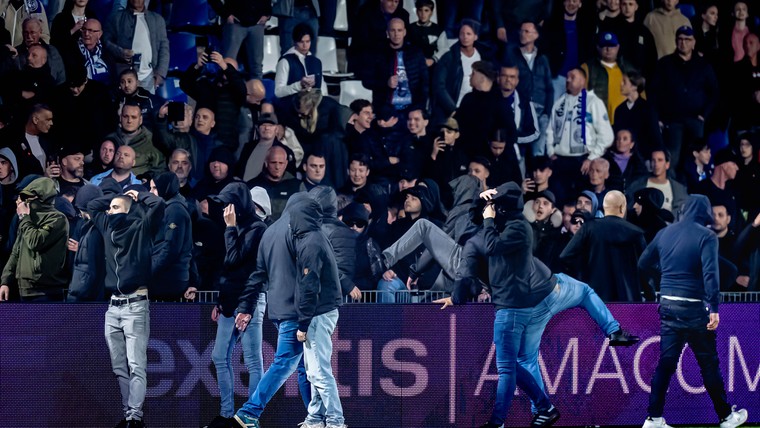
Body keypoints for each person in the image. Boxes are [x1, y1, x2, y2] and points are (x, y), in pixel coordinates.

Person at [639, 195, 748, 428]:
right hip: (694, 310)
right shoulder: (707, 236)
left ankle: (653, 419)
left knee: (665, 364)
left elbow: (642, 264)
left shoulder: (665, 233)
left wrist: (665, 275)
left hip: (668, 306)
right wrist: (714, 308)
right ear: (704, 211)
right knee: (708, 364)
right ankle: (727, 417)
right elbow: (711, 274)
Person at [231, 193, 319, 428]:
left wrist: (246, 307)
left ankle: (315, 418)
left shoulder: (270, 232)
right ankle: (250, 411)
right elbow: (306, 273)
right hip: (295, 309)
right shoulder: (298, 231)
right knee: (285, 363)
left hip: (277, 308)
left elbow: (257, 274)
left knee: (303, 367)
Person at [86, 181, 164, 428]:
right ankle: (127, 413)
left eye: (116, 207)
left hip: (136, 306)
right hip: (113, 307)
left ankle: (135, 416)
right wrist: (115, 196)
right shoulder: (107, 225)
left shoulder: (141, 227)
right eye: (110, 208)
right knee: (119, 367)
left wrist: (138, 195)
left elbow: (158, 203)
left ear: (128, 210)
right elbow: (91, 205)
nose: (110, 211)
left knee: (136, 364)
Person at [203, 182, 267, 428]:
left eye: (227, 203)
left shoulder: (257, 228)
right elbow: (229, 269)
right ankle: (228, 414)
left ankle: (250, 418)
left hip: (249, 302)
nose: (224, 209)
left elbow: (242, 264)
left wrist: (246, 308)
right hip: (229, 302)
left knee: (253, 361)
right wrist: (221, 300)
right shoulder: (236, 226)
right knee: (219, 356)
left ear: (239, 205)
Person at [649, 25, 718, 171]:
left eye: (688, 39)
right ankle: (673, 190)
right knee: (673, 158)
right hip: (672, 120)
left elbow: (714, 93)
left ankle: (694, 190)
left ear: (693, 42)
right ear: (675, 41)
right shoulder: (664, 64)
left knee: (695, 158)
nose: (683, 43)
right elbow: (654, 92)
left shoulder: (703, 65)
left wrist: (704, 115)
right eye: (680, 39)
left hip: (696, 119)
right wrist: (659, 118)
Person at [560, 191, 648, 301]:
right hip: (628, 301)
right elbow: (645, 267)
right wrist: (650, 295)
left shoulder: (589, 228)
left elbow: (565, 256)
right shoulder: (636, 233)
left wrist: (585, 272)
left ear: (605, 208)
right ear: (622, 208)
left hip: (595, 298)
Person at [545, 67, 614, 203]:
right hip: (560, 161)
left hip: (582, 162)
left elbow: (607, 136)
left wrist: (591, 157)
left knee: (580, 201)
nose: (568, 80)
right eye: (567, 77)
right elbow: (550, 130)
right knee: (559, 200)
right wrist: (550, 151)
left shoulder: (593, 102)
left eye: (573, 77)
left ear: (583, 81)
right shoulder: (560, 102)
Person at [0, 177, 68, 301]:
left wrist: (24, 217)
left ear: (43, 198)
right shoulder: (27, 219)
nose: (24, 202)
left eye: (29, 198)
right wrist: (5, 281)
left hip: (47, 291)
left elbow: (35, 242)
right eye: (23, 198)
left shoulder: (57, 219)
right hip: (24, 289)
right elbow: (16, 252)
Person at [503, 21, 554, 156]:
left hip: (540, 110)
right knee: (520, 149)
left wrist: (547, 113)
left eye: (527, 31)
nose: (522, 34)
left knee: (538, 152)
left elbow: (549, 88)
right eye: (521, 31)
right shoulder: (512, 55)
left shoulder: (542, 59)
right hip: (522, 109)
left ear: (536, 35)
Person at [431, 19, 494, 122]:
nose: (465, 37)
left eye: (469, 34)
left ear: (475, 36)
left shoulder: (483, 56)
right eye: (462, 33)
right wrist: (452, 109)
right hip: (455, 109)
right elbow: (438, 85)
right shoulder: (450, 57)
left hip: (477, 110)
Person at [364, 17, 428, 115]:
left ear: (404, 32)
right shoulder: (377, 54)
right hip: (386, 109)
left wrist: (420, 107)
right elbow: (367, 81)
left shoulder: (416, 53)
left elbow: (425, 82)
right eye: (393, 30)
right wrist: (386, 83)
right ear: (387, 33)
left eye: (399, 30)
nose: (396, 34)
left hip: (411, 109)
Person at [102, 0, 169, 93]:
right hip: (123, 77)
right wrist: (120, 52)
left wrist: (160, 74)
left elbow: (164, 48)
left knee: (146, 106)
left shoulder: (157, 20)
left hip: (148, 77)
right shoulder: (116, 17)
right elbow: (106, 41)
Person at [149, 172, 193, 301]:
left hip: (169, 279)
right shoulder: (167, 207)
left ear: (166, 187)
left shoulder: (175, 210)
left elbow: (171, 248)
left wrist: (148, 271)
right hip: (165, 276)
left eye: (155, 188)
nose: (150, 192)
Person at [207, 0, 270, 80]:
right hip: (235, 23)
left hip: (257, 23)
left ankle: (256, 90)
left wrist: (267, 14)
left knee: (256, 65)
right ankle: (227, 90)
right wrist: (225, 14)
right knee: (228, 63)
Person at [106, 103, 166, 177]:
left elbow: (160, 169)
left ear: (140, 120)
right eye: (126, 116)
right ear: (120, 117)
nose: (129, 121)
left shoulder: (152, 141)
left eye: (133, 117)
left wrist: (147, 178)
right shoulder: (110, 139)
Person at [613, 71, 662, 160]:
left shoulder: (648, 109)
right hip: (623, 156)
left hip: (643, 157)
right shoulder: (619, 109)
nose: (621, 84)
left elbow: (655, 136)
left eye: (624, 82)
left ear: (634, 86)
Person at [247, 145, 305, 220]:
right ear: (266, 163)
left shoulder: (297, 186)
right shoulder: (252, 185)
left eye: (281, 163)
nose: (277, 167)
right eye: (273, 162)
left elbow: (304, 213)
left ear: (286, 163)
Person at [626, 149, 688, 215]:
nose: (656, 164)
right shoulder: (637, 186)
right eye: (653, 160)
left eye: (660, 160)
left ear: (667, 164)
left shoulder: (679, 189)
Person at [274, 23, 322, 100]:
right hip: (293, 104)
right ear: (295, 41)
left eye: (307, 41)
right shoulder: (285, 61)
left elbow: (321, 88)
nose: (305, 45)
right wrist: (299, 85)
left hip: (314, 103)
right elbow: (278, 92)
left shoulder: (316, 62)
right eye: (301, 42)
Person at [602, 128, 648, 194]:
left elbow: (640, 182)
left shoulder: (638, 163)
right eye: (618, 138)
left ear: (631, 144)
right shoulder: (606, 160)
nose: (621, 141)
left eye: (625, 139)